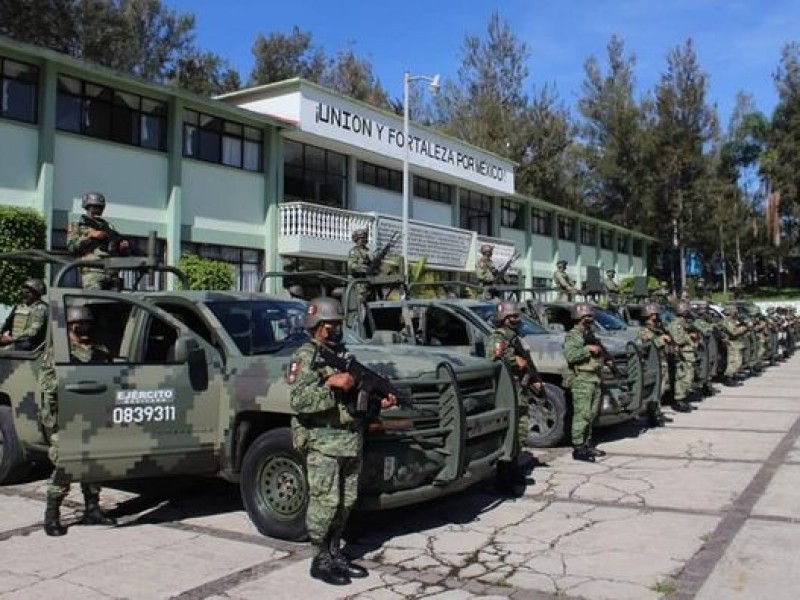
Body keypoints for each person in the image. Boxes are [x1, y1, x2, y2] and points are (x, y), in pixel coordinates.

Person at [287, 297, 395, 586]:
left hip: (350, 439)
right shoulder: (305, 356)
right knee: (325, 502)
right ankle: (320, 559)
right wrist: (329, 386)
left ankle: (336, 553)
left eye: (337, 324)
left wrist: (378, 401)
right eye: (331, 325)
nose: (336, 329)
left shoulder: (342, 354)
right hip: (323, 443)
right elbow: (298, 400)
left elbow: (356, 396)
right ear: (318, 327)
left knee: (346, 501)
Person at [39, 305, 116, 536]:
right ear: (70, 327)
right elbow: (47, 389)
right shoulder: (59, 353)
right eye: (78, 324)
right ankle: (52, 515)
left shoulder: (100, 351)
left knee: (93, 466)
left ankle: (92, 510)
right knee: (65, 467)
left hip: (95, 416)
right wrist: (52, 423)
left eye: (87, 324)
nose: (84, 328)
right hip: (68, 417)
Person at [486, 301, 543, 454]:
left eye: (516, 317)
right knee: (511, 431)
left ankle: (515, 463)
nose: (515, 320)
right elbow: (493, 358)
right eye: (510, 317)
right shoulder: (498, 337)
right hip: (508, 392)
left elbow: (526, 362)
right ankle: (508, 469)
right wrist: (513, 360)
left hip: (520, 391)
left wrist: (534, 380)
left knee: (521, 430)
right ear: (503, 319)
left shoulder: (517, 338)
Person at [563, 302, 604, 462]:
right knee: (582, 414)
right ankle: (578, 447)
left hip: (594, 377)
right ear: (578, 318)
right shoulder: (573, 335)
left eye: (590, 316)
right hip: (582, 378)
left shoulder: (589, 333)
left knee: (592, 414)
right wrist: (588, 350)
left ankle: (587, 443)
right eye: (586, 316)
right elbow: (571, 356)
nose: (590, 318)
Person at [67, 191, 130, 290]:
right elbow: (72, 247)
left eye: (101, 207)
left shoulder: (109, 227)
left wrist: (122, 247)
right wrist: (90, 237)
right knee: (95, 302)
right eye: (95, 207)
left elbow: (117, 246)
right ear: (87, 207)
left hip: (112, 272)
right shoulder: (77, 226)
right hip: (92, 272)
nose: (98, 210)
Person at [639, 303, 673, 426]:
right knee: (655, 390)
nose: (656, 316)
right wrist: (661, 339)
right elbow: (648, 345)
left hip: (662, 361)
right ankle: (652, 414)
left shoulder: (658, 327)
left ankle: (658, 412)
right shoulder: (645, 330)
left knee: (661, 390)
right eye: (654, 314)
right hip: (653, 363)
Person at [0, 278, 48, 351]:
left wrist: (12, 339)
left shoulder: (41, 308)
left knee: (5, 352)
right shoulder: (19, 307)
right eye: (24, 292)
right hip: (15, 341)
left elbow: (34, 331)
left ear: (36, 294)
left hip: (30, 344)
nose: (24, 295)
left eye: (28, 292)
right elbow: (8, 322)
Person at [666, 301, 697, 413]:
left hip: (688, 354)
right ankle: (679, 400)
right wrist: (689, 336)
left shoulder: (684, 323)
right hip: (682, 354)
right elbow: (678, 340)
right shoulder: (677, 325)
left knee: (688, 378)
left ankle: (683, 398)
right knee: (683, 378)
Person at [721, 306, 747, 386]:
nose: (735, 312)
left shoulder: (733, 321)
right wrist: (743, 328)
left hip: (737, 343)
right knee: (733, 362)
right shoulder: (727, 321)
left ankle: (732, 376)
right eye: (734, 311)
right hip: (732, 344)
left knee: (738, 362)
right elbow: (733, 332)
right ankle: (728, 378)